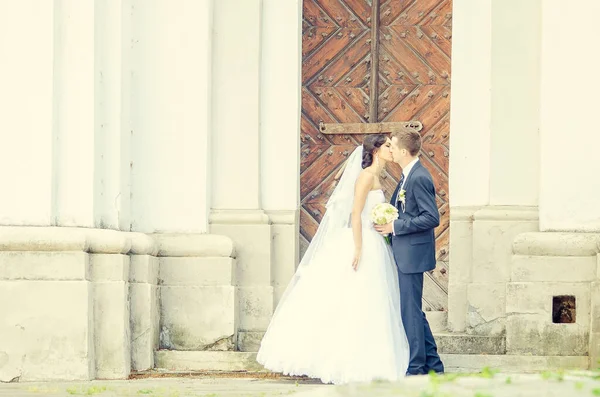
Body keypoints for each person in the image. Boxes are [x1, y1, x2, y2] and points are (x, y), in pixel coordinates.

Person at [256, 135, 409, 384]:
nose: (392, 150)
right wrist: (358, 248)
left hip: (374, 240)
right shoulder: (366, 176)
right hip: (362, 241)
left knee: (372, 301)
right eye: (388, 146)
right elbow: (356, 214)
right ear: (376, 151)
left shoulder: (377, 177)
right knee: (352, 299)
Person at [374, 128, 444, 376]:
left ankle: (416, 367)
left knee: (410, 310)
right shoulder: (407, 175)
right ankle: (433, 364)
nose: (390, 149)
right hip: (406, 253)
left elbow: (431, 217)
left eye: (392, 145)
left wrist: (396, 226)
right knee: (412, 310)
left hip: (412, 255)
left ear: (403, 151)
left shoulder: (418, 177)